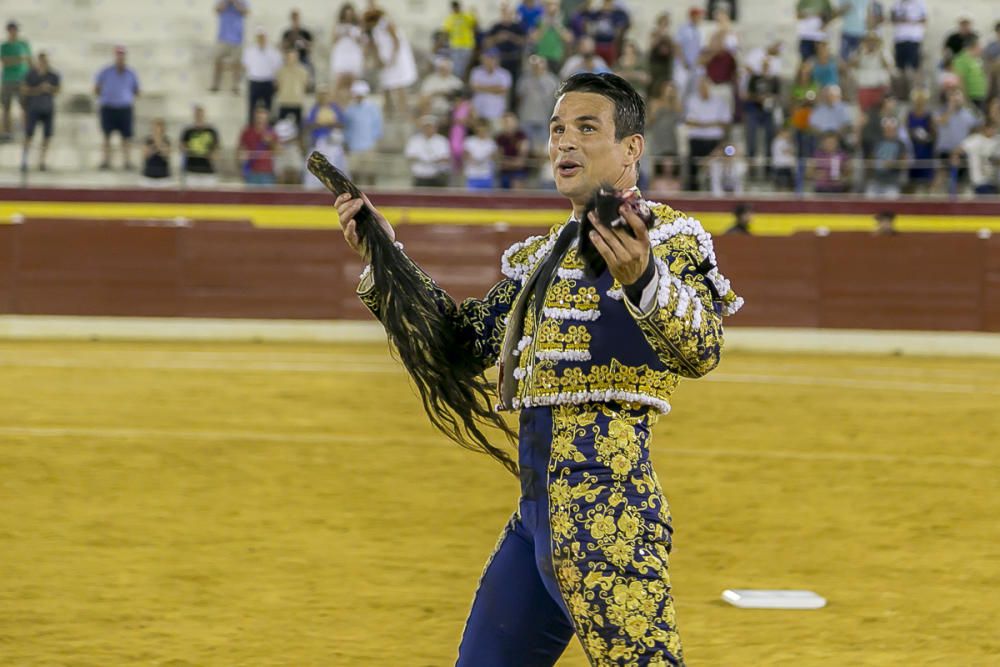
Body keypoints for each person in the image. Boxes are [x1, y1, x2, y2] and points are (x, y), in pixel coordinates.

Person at [334, 71, 741, 667]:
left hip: (609, 515)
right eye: (556, 130)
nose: (564, 143)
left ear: (632, 148)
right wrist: (386, 258)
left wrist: (645, 281)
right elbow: (461, 341)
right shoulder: (540, 259)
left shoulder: (667, 238)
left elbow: (703, 348)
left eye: (585, 128)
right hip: (535, 520)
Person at [94, 46, 140, 170]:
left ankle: (127, 161)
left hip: (124, 107)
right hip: (108, 106)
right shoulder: (106, 71)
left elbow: (137, 90)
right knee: (106, 135)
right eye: (118, 55)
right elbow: (96, 87)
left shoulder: (131, 73)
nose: (120, 58)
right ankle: (105, 161)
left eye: (122, 55)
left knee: (126, 137)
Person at [367, 6, 418, 113]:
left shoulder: (386, 23)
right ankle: (388, 112)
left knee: (400, 86)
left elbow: (396, 41)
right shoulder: (372, 30)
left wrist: (393, 58)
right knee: (386, 86)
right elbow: (375, 46)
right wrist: (379, 60)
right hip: (385, 60)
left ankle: (403, 111)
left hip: (397, 59)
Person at [684, 77, 731, 190]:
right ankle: (693, 190)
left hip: (714, 140)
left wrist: (701, 124)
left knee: (717, 165)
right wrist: (712, 123)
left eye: (705, 86)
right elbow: (689, 122)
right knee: (693, 165)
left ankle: (717, 189)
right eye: (701, 87)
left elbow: (725, 123)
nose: (703, 89)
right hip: (697, 139)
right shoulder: (692, 100)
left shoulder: (719, 102)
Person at [20, 51, 59, 172]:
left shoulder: (53, 75)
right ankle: (24, 160)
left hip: (48, 108)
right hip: (33, 108)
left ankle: (42, 161)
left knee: (46, 136)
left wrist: (50, 88)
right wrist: (39, 89)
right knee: (29, 134)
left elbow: (58, 90)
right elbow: (24, 90)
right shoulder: (31, 74)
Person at [343, 79, 382, 186]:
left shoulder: (372, 108)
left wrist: (375, 143)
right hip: (354, 146)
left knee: (371, 173)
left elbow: (377, 126)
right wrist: (347, 143)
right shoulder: (349, 109)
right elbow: (346, 128)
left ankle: (373, 196)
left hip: (369, 146)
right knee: (354, 173)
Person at [518, 54, 560, 154]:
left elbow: (557, 101)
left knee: (543, 150)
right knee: (526, 149)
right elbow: (519, 98)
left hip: (544, 119)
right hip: (526, 117)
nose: (537, 66)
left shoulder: (552, 80)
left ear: (545, 64)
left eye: (539, 63)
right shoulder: (524, 80)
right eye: (534, 64)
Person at [242, 27, 282, 122]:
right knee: (252, 107)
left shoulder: (273, 52)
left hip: (268, 82)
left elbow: (278, 67)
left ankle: (267, 129)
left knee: (268, 107)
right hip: (254, 81)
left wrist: (276, 81)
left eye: (263, 37)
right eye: (259, 37)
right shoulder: (249, 51)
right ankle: (251, 127)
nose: (261, 39)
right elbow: (245, 65)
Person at [1, 20, 31, 141]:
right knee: (6, 107)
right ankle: (7, 132)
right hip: (8, 79)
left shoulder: (23, 44)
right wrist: (19, 59)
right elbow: (5, 62)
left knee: (24, 106)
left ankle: (26, 131)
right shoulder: (4, 46)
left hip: (22, 79)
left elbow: (29, 60)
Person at [211, 0, 248, 94]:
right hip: (223, 37)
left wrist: (235, 2)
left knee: (236, 63)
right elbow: (217, 10)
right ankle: (215, 84)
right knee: (217, 59)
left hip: (237, 37)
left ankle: (236, 86)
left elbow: (245, 12)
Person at [330, 3, 365, 100]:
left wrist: (352, 36)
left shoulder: (357, 26)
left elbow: (362, 41)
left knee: (353, 83)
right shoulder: (338, 25)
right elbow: (333, 40)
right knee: (339, 81)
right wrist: (342, 34)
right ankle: (335, 105)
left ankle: (351, 105)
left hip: (353, 55)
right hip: (341, 54)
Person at [405, 115, 451, 187]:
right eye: (426, 127)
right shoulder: (414, 140)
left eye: (431, 127)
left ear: (435, 128)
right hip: (420, 176)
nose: (428, 129)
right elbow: (410, 156)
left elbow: (445, 158)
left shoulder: (442, 140)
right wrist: (425, 160)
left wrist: (431, 160)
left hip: (437, 176)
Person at [954, 123, 1000, 195]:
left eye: (994, 128)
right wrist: (955, 157)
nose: (992, 131)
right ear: (985, 128)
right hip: (979, 180)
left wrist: (994, 161)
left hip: (994, 181)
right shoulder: (975, 139)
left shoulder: (997, 140)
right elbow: (958, 150)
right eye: (991, 128)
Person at [179, 105, 220, 185]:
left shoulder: (211, 131)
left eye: (201, 114)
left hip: (208, 171)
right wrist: (184, 148)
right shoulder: (188, 131)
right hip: (191, 171)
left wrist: (214, 154)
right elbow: (182, 147)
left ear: (204, 115)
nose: (199, 116)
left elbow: (217, 149)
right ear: (194, 116)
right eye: (197, 114)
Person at [470, 48, 513, 124]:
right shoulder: (476, 71)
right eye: (487, 58)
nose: (489, 61)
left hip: (496, 113)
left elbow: (502, 90)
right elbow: (474, 88)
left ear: (497, 59)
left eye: (492, 58)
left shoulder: (504, 74)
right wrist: (495, 87)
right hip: (478, 112)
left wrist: (482, 87)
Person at [238, 106, 277, 185]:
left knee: (267, 197)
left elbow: (278, 151)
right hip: (251, 172)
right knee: (250, 197)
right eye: (259, 118)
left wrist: (271, 142)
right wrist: (241, 160)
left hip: (267, 173)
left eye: (263, 118)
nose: (260, 120)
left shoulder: (271, 133)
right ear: (254, 118)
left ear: (267, 119)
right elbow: (240, 150)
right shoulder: (247, 132)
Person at [275, 49, 309, 133]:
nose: (291, 59)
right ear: (286, 57)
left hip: (297, 102)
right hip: (284, 102)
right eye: (289, 57)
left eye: (293, 57)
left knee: (299, 128)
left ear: (297, 58)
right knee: (281, 128)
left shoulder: (303, 71)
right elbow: (278, 85)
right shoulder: (280, 71)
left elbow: (305, 86)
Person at [443, 1, 478, 79]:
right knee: (456, 66)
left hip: (467, 45)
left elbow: (475, 26)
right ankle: (458, 82)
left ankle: (463, 81)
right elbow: (446, 32)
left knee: (466, 65)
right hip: (455, 45)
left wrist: (474, 14)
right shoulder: (450, 18)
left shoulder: (466, 16)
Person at [495, 111, 530, 189]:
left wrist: (508, 163)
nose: (508, 125)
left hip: (518, 173)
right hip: (504, 173)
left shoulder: (522, 136)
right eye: (506, 122)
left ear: (515, 122)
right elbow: (499, 161)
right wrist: (512, 163)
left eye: (510, 122)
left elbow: (521, 162)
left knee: (517, 182)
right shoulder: (499, 138)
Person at [462, 117, 498, 189]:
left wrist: (491, 157)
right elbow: (465, 156)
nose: (481, 130)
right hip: (472, 175)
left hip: (486, 175)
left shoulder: (491, 143)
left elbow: (494, 158)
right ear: (476, 128)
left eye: (483, 128)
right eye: (479, 127)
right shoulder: (469, 141)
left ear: (487, 129)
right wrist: (478, 160)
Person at [647, 12, 675, 98]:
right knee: (652, 86)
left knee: (663, 85)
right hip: (655, 64)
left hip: (664, 65)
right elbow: (651, 46)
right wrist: (660, 35)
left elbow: (671, 51)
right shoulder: (654, 34)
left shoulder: (668, 37)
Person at [281, 9, 314, 81]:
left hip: (302, 57)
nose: (295, 20)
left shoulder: (305, 33)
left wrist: (301, 39)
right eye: (293, 18)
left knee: (309, 68)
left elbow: (310, 47)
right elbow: (283, 47)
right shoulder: (287, 33)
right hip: (290, 59)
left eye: (296, 18)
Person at [141, 118, 171, 183]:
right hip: (149, 174)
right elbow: (145, 155)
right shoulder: (147, 140)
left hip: (163, 174)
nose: (157, 130)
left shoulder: (167, 140)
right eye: (155, 128)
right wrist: (155, 145)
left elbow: (166, 155)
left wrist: (159, 142)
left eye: (159, 127)